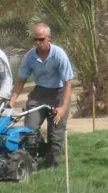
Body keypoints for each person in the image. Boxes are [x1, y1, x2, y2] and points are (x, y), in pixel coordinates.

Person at [9, 23, 73, 168]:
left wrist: (62, 107)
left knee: (55, 135)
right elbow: (20, 81)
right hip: (39, 94)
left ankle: (51, 166)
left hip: (59, 93)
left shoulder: (59, 55)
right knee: (29, 129)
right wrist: (11, 101)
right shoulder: (29, 57)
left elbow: (67, 82)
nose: (38, 43)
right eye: (35, 40)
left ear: (49, 38)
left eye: (41, 39)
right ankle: (31, 161)